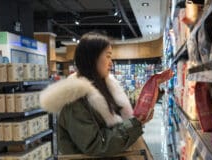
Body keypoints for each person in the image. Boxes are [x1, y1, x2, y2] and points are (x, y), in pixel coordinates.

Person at [40, 32, 154, 160]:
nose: (111, 63)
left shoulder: (106, 88)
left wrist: (139, 116)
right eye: (108, 56)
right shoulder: (75, 100)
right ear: (92, 58)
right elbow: (96, 145)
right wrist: (134, 124)